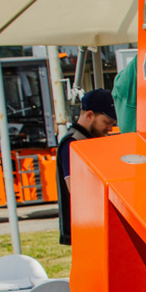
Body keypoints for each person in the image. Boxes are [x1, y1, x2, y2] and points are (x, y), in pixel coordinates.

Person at [57, 88, 116, 245]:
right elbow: (77, 191)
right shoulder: (72, 143)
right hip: (85, 227)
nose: (110, 129)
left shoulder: (89, 140)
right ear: (89, 115)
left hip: (94, 224)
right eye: (106, 122)